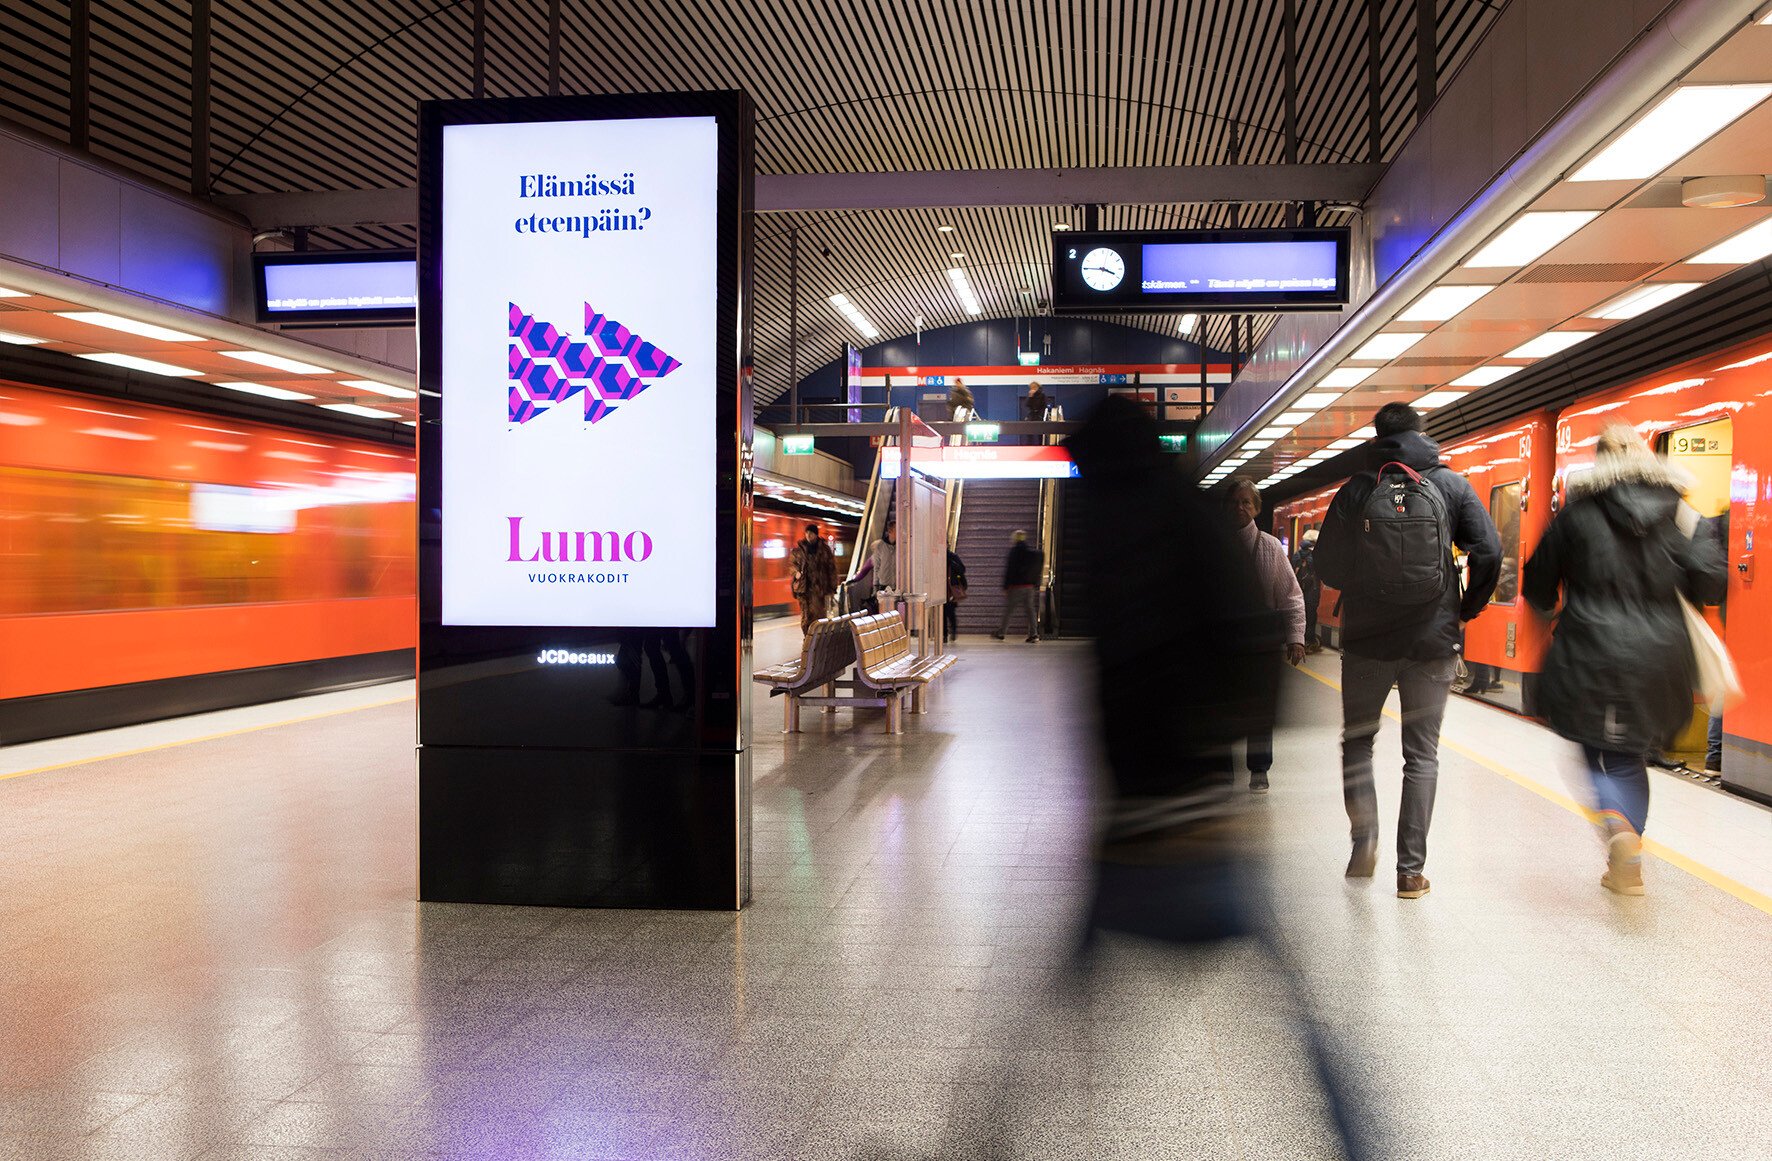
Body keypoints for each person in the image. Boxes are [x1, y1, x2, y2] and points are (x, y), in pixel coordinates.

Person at [1522, 425, 1725, 895]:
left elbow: (1536, 582)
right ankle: (1624, 861)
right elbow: (1710, 583)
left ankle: (1619, 831)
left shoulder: (1577, 512)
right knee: (1630, 756)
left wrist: (1555, 608)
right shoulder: (1680, 509)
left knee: (1593, 751)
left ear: (1599, 463)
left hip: (1589, 650)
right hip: (1660, 656)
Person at [1313, 403, 1501, 900]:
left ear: (1377, 438)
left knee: (1358, 742)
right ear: (1421, 433)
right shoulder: (1452, 485)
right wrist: (1465, 609)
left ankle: (1364, 840)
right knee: (1421, 756)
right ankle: (1410, 873)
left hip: (1368, 643)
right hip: (1431, 643)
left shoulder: (1357, 489)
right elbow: (1490, 552)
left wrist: (1363, 582)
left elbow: (1326, 564)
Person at [1226, 477, 1307, 793]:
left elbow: (1292, 596)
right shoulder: (1216, 544)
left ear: (1257, 508)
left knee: (1258, 707)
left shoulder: (1271, 547)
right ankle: (1223, 770)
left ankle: (1259, 768)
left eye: (1246, 502)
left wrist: (1296, 637)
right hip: (1226, 640)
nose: (1240, 508)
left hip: (1261, 639)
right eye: (1235, 502)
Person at [992, 530, 1042, 642]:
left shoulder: (1014, 552)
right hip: (1029, 586)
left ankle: (1001, 632)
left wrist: (1005, 586)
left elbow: (1010, 570)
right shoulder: (1031, 552)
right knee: (1030, 611)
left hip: (1016, 587)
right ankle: (1034, 634)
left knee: (1009, 610)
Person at [788, 522, 838, 634]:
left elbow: (832, 569)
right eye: (807, 533)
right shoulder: (798, 551)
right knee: (806, 616)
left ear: (816, 534)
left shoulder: (824, 550)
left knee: (819, 615)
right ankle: (808, 640)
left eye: (811, 533)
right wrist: (796, 573)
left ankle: (816, 639)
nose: (808, 535)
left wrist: (833, 586)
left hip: (820, 588)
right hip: (804, 589)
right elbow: (792, 565)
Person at [850, 516, 897, 614]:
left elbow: (864, 571)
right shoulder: (876, 555)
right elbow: (865, 571)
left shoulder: (895, 548)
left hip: (888, 585)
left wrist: (855, 579)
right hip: (882, 586)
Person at [1292, 528, 1324, 652]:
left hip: (1299, 590)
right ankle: (1309, 642)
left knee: (1300, 615)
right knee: (1310, 617)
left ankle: (1298, 640)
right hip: (1312, 590)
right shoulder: (1315, 554)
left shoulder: (1297, 554)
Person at [944, 547, 967, 643]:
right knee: (942, 613)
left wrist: (952, 564)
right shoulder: (936, 557)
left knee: (950, 612)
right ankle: (944, 634)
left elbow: (962, 569)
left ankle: (953, 631)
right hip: (940, 588)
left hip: (951, 588)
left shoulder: (953, 556)